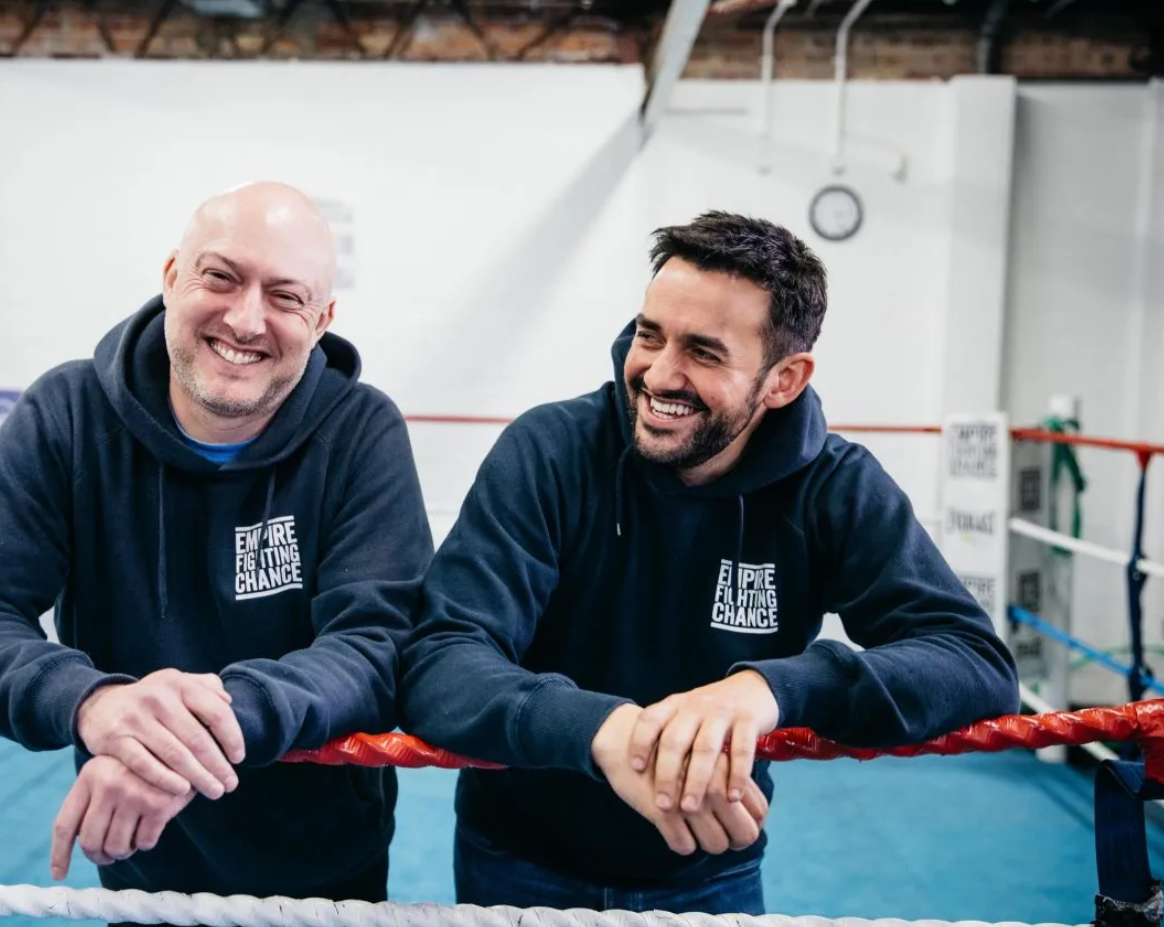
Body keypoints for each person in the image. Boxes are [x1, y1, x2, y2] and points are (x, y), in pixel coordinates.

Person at [398, 210, 1020, 914]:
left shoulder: (833, 487)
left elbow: (974, 663)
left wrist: (769, 688)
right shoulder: (551, 451)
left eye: (703, 351)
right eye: (649, 333)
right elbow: (441, 659)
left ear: (783, 379)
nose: (659, 372)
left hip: (707, 867)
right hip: (517, 856)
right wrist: (606, 731)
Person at [0, 182, 434, 904]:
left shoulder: (359, 431)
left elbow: (376, 646)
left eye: (285, 296)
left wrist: (186, 738)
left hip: (321, 869)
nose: (246, 319)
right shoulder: (67, 416)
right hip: (140, 864)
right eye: (220, 276)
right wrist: (94, 702)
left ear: (322, 319)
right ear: (170, 276)